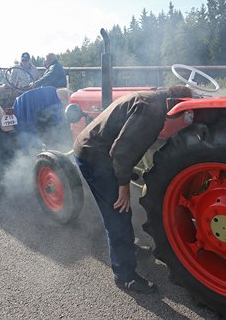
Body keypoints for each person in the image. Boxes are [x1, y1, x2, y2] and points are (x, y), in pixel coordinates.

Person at [73, 85, 193, 294]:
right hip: (95, 158)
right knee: (117, 214)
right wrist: (123, 186)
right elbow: (120, 152)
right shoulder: (152, 110)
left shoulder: (152, 97)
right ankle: (124, 276)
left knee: (121, 213)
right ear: (174, 103)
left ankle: (129, 248)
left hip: (99, 151)